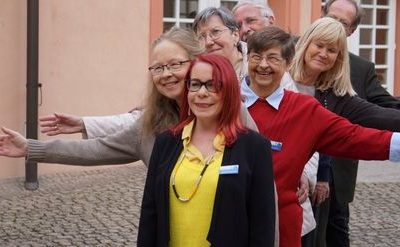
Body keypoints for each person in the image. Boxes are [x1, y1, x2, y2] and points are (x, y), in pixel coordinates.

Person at [241, 25, 400, 247]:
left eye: (273, 58)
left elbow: (354, 137)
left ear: (287, 64)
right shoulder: (225, 101)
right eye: (256, 57)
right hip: (230, 222)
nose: (263, 65)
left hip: (281, 227)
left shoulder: (305, 109)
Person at [137, 53, 276, 246]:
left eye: (212, 85)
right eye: (195, 84)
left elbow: (263, 226)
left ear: (228, 91)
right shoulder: (166, 143)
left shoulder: (254, 148)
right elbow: (149, 216)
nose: (202, 93)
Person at [286, 16, 400, 246]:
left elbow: (379, 115)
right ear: (306, 43)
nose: (323, 53)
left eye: (332, 50)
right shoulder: (278, 76)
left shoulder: (335, 95)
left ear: (339, 58)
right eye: (319, 45)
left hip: (303, 193)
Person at [192, 7, 247, 82]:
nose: (208, 42)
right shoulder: (194, 73)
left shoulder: (256, 69)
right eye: (202, 36)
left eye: (216, 32)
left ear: (235, 35)